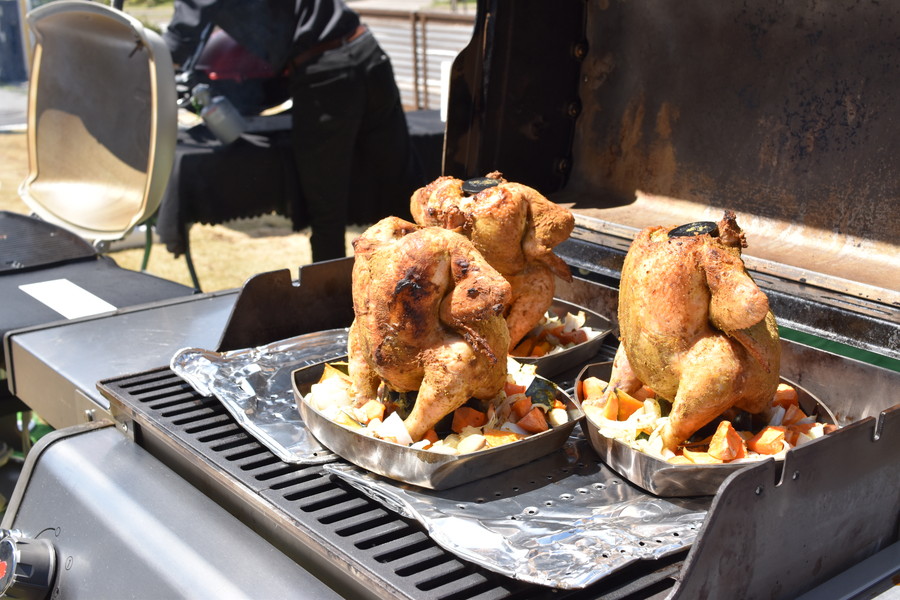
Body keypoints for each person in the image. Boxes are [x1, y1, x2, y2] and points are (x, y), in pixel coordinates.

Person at [163, 0, 424, 262]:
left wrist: (157, 63)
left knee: (327, 209)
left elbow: (184, 27)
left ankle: (332, 297)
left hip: (326, 72)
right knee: (401, 185)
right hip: (367, 49)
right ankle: (418, 274)